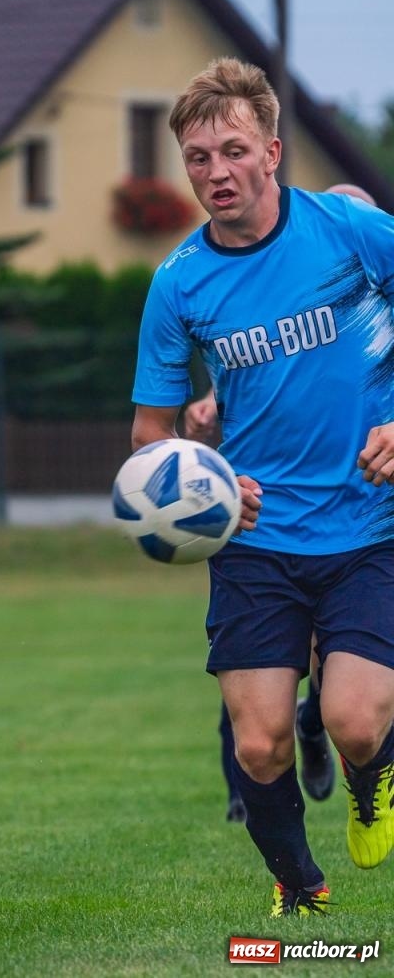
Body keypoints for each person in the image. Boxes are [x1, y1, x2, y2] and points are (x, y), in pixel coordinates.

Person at [132, 57, 394, 917]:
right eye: (198, 157)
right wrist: (203, 484)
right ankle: (302, 891)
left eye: (233, 151)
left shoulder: (350, 234)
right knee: (260, 742)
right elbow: (150, 436)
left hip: (370, 523)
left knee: (355, 721)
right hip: (254, 538)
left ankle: (369, 778)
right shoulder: (178, 284)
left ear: (273, 151)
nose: (216, 172)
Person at [198, 183, 380, 823]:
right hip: (271, 528)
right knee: (261, 679)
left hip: (368, 520)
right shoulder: (262, 282)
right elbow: (273, 372)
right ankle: (248, 793)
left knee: (351, 690)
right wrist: (206, 413)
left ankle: (329, 733)